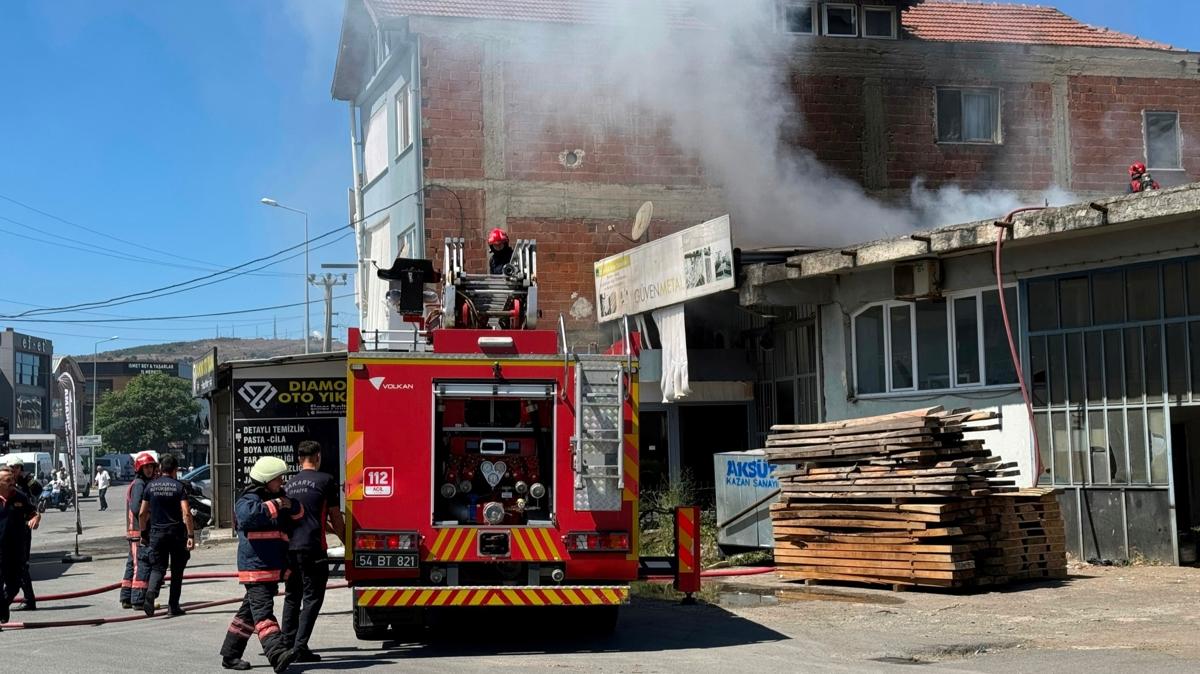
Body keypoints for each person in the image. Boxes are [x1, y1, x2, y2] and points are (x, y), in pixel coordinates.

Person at [220, 456, 303, 673]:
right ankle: (277, 654)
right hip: (255, 569)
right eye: (278, 479)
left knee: (247, 614)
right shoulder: (248, 500)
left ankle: (230, 655)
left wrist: (290, 504)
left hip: (271, 567)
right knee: (263, 612)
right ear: (266, 480)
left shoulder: (278, 497)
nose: (282, 483)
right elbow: (248, 517)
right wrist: (276, 504)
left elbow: (298, 515)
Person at [281, 441, 345, 662]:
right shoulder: (326, 480)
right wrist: (345, 540)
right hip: (313, 548)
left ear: (299, 459)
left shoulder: (288, 485)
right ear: (318, 456)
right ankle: (299, 647)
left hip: (290, 548)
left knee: (292, 597)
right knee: (312, 598)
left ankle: (286, 644)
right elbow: (335, 516)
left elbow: (303, 515)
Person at [138, 453, 194, 617]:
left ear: (160, 468)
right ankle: (173, 606)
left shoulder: (150, 487)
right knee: (177, 570)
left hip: (156, 533)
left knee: (158, 567)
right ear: (175, 470)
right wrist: (190, 535)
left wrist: (143, 533)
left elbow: (142, 513)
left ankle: (151, 593)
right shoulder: (179, 487)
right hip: (176, 534)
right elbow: (187, 513)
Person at [121, 452, 157, 610]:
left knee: (131, 564)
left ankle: (126, 598)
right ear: (139, 468)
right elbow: (137, 508)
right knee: (139, 566)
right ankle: (138, 600)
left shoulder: (139, 483)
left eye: (151, 466)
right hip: (138, 531)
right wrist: (151, 514)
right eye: (146, 467)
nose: (149, 470)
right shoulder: (140, 484)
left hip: (134, 531)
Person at [5, 455, 40, 611]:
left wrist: (30, 480)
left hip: (21, 529)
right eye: (12, 468)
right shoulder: (5, 483)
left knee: (22, 565)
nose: (14, 471)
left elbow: (37, 492)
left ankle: (28, 599)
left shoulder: (24, 484)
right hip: (6, 530)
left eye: (17, 468)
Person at [0, 467, 28, 630]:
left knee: (14, 585)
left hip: (16, 548)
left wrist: (35, 518)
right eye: (8, 481)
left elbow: (32, 512)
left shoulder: (20, 497)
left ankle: (3, 606)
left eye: (13, 480)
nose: (12, 483)